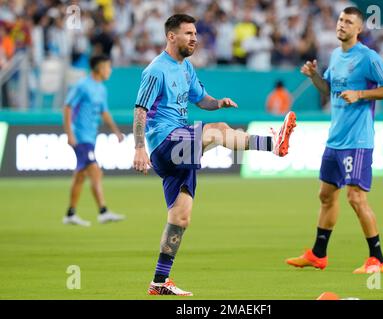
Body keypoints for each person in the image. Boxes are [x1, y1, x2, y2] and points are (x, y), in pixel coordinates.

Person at [132, 14, 297, 296]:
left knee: (180, 218)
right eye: (188, 33)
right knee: (217, 131)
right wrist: (138, 148)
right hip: (164, 142)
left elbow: (201, 99)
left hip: (181, 146)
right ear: (171, 36)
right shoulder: (156, 70)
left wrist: (218, 102)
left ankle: (159, 281)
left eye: (195, 33)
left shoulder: (186, 69)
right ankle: (273, 144)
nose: (194, 38)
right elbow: (140, 110)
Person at [285, 7, 383, 274]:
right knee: (326, 195)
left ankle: (378, 259)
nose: (342, 25)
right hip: (335, 140)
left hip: (357, 140)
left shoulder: (368, 58)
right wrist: (314, 76)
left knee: (356, 198)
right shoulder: (335, 55)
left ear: (358, 29)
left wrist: (360, 94)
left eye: (349, 22)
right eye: (340, 20)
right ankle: (318, 255)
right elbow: (328, 91)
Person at [62, 54, 125, 227]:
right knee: (95, 171)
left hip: (91, 136)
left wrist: (116, 131)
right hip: (80, 136)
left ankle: (70, 214)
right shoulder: (82, 86)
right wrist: (69, 134)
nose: (110, 70)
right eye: (108, 67)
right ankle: (103, 211)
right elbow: (67, 107)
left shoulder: (101, 89)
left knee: (80, 176)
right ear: (99, 68)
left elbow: (104, 112)